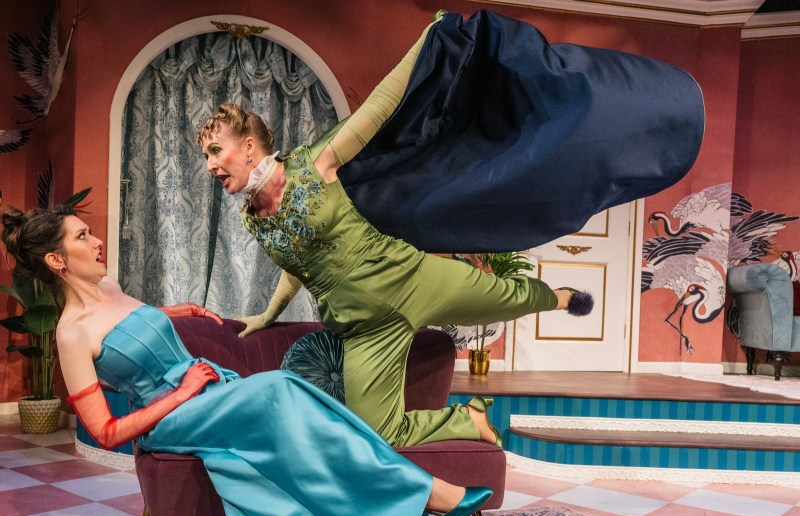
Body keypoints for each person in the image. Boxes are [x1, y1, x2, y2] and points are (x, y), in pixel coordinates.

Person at [0, 202, 494, 516]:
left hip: (208, 388)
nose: (97, 240)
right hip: (174, 415)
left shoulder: (108, 286)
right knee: (278, 387)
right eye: (82, 236)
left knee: (295, 400)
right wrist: (183, 392)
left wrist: (172, 313)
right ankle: (428, 492)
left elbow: (129, 327)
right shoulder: (70, 333)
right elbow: (107, 431)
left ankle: (408, 497)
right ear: (57, 260)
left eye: (89, 232)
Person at [198, 7, 701, 451]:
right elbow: (299, 264)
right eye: (205, 156)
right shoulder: (252, 217)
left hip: (410, 279)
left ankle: (561, 298)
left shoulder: (314, 164)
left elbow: (379, 108)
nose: (210, 165)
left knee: (505, 296)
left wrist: (425, 46)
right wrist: (268, 314)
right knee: (379, 430)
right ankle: (468, 419)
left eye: (216, 151)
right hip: (366, 326)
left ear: (249, 146)